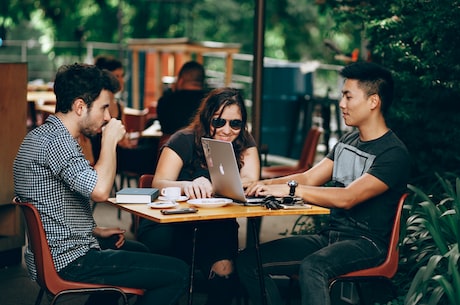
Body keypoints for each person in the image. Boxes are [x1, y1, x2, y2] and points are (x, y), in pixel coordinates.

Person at [13, 63, 188, 305]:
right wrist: (109, 142)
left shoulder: (42, 136)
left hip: (55, 253)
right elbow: (100, 191)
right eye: (104, 107)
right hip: (69, 260)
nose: (108, 116)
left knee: (142, 252)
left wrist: (93, 231)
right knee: (178, 272)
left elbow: (51, 205)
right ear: (80, 107)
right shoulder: (57, 143)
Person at [237, 62, 411, 305]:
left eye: (348, 97)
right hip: (330, 237)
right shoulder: (348, 140)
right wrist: (261, 184)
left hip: (367, 244)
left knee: (313, 267)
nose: (342, 104)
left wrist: (287, 190)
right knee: (248, 262)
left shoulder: (393, 153)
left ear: (373, 101)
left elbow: (348, 197)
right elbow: (309, 177)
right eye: (342, 96)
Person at [137, 87, 260, 305]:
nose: (227, 130)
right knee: (183, 265)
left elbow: (250, 180)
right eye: (218, 122)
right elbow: (157, 184)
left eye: (235, 123)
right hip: (172, 223)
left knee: (226, 272)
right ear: (206, 119)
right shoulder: (183, 140)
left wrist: (215, 185)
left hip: (215, 225)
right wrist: (188, 185)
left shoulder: (244, 143)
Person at [90, 55, 126, 162]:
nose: (121, 80)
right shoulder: (94, 105)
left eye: (122, 76)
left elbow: (123, 136)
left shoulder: (120, 106)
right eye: (116, 76)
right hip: (100, 153)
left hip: (117, 152)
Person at [157, 60, 208, 136]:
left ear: (180, 81)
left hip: (169, 145)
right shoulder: (209, 102)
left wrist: (172, 91)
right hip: (200, 146)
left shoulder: (165, 101)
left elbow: (164, 128)